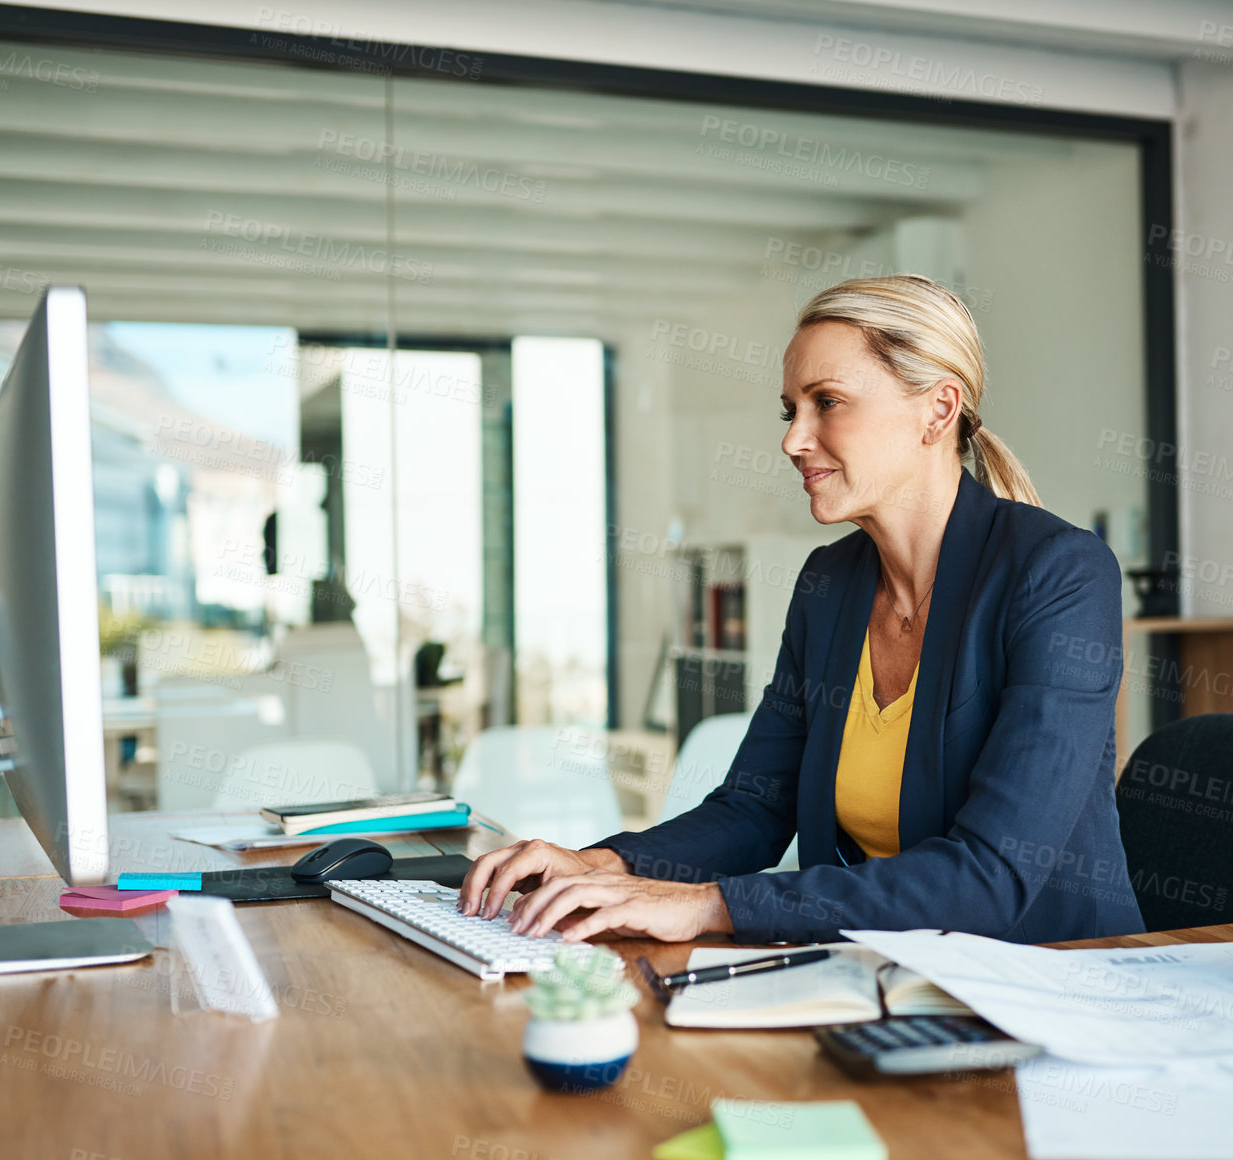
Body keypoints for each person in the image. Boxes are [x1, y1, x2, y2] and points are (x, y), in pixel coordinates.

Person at [458, 274, 1144, 945]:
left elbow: (990, 876)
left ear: (937, 409)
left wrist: (709, 906)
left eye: (827, 402)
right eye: (792, 410)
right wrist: (600, 865)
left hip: (1051, 990)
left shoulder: (1058, 574)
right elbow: (756, 806)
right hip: (883, 976)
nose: (793, 439)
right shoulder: (830, 582)